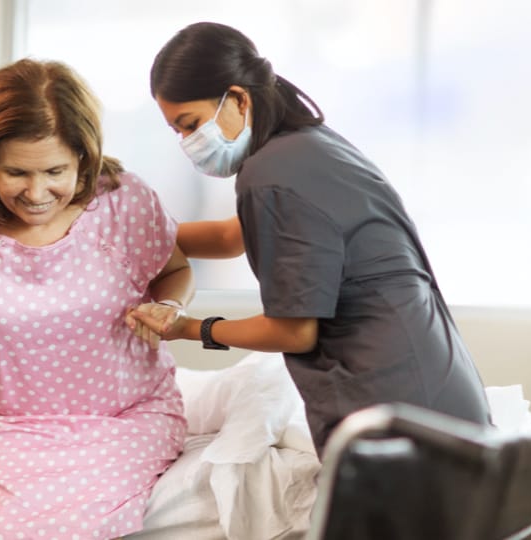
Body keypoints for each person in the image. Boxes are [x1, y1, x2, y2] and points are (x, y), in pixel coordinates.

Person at [133, 22, 491, 459]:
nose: (188, 143)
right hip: (442, 396)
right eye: (178, 132)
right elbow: (232, 236)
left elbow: (294, 331)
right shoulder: (309, 147)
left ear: (239, 98)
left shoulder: (270, 176)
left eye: (190, 125)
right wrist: (129, 236)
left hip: (395, 419)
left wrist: (191, 328)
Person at [0, 58, 192, 540]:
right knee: (18, 527)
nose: (36, 192)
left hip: (129, 417)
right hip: (13, 431)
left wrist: (170, 308)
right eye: (17, 173)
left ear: (84, 158)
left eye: (55, 171)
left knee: (82, 518)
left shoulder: (123, 201)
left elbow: (176, 270)